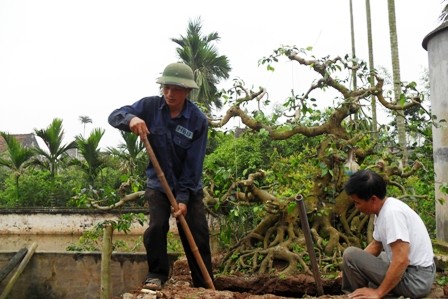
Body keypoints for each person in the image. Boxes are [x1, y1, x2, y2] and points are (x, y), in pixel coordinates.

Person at [108, 62, 214, 290]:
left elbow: (193, 165)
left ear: (187, 91)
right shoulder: (148, 107)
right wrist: (131, 119)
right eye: (166, 87)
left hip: (188, 187)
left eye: (176, 89)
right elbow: (115, 115)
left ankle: (204, 285)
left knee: (197, 235)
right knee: (156, 227)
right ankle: (156, 274)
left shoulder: (198, 121)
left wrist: (183, 198)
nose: (169, 94)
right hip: (158, 184)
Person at [341, 169, 436, 299]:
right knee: (377, 257)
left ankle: (352, 295)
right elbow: (376, 245)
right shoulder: (384, 208)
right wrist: (350, 267)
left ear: (373, 199)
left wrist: (378, 293)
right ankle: (364, 290)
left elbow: (402, 260)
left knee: (350, 254)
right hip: (419, 273)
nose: (356, 207)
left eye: (358, 202)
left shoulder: (392, 214)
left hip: (415, 281)